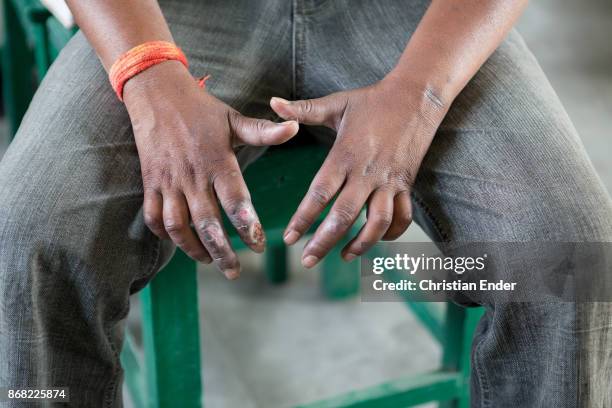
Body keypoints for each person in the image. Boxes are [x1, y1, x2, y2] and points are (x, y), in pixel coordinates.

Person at [0, 0, 610, 406]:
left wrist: (420, 94)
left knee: (568, 260)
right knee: (29, 241)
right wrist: (147, 70)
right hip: (174, 15)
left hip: (415, 19)